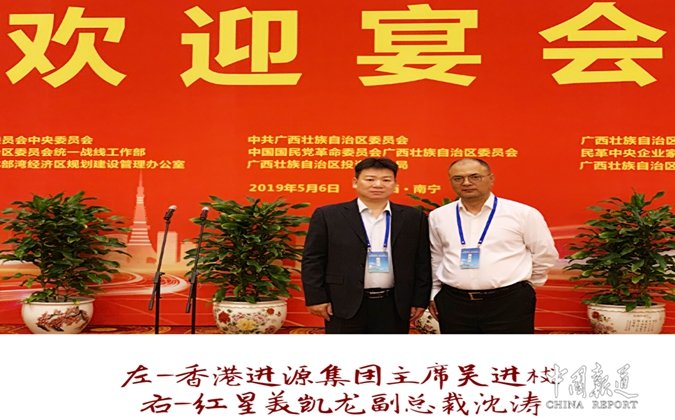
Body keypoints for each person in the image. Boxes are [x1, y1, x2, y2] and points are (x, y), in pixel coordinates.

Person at [301, 157, 432, 333]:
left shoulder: (413, 217)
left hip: (394, 304)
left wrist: (419, 300)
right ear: (355, 182)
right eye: (370, 179)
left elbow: (422, 261)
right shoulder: (328, 215)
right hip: (344, 302)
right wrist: (316, 298)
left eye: (386, 180)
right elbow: (313, 259)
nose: (378, 184)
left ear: (395, 184)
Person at [428, 158, 558, 333]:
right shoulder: (439, 216)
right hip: (455, 303)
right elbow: (436, 256)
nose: (466, 183)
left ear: (491, 179)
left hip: (509, 302)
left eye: (475, 177)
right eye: (458, 178)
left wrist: (527, 285)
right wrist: (435, 292)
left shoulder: (522, 213)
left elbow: (545, 254)